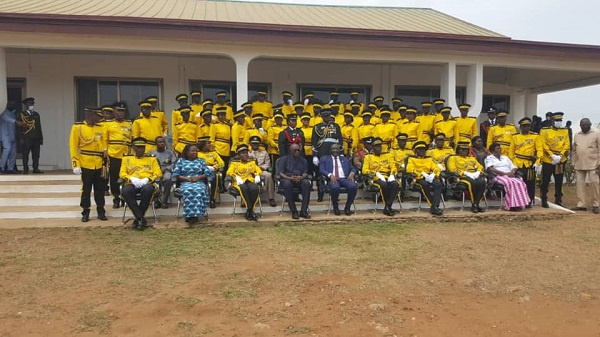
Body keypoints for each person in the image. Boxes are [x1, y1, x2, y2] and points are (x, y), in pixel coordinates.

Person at [69, 107, 108, 222]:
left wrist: (106, 163)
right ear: (90, 115)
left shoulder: (100, 128)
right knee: (86, 189)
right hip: (86, 162)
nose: (100, 119)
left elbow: (104, 146)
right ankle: (85, 211)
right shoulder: (78, 127)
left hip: (99, 163)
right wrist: (75, 164)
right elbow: (73, 147)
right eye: (98, 116)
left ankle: (101, 210)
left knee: (100, 189)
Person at [120, 137, 163, 229]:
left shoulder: (152, 159)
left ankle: (138, 219)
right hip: (132, 183)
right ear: (134, 148)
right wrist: (131, 179)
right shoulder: (126, 159)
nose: (141, 149)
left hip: (147, 183)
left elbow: (158, 173)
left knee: (148, 189)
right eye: (138, 147)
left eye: (143, 147)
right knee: (126, 191)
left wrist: (148, 179)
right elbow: (122, 173)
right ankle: (140, 218)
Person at [172, 144, 213, 225]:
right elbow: (176, 174)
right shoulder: (181, 161)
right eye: (193, 151)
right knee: (188, 190)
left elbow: (208, 172)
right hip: (185, 182)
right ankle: (189, 215)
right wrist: (187, 179)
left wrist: (198, 177)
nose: (195, 152)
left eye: (196, 151)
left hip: (199, 182)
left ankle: (195, 215)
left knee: (198, 190)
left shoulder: (201, 161)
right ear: (187, 152)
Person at [485, 143, 531, 211]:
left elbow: (513, 166)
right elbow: (490, 168)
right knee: (509, 183)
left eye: (500, 148)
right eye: (498, 148)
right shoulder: (489, 158)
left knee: (520, 183)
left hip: (510, 175)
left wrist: (512, 172)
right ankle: (511, 205)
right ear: (492, 151)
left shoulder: (505, 157)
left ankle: (519, 203)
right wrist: (504, 173)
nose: (500, 149)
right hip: (498, 176)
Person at [509, 117, 543, 207]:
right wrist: (511, 163)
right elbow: (511, 151)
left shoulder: (535, 136)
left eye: (528, 126)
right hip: (518, 162)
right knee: (518, 183)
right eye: (524, 126)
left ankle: (529, 201)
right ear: (520, 127)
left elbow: (540, 150)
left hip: (529, 163)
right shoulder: (515, 137)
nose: (526, 128)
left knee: (530, 183)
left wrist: (538, 162)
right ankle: (518, 201)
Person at [539, 112, 570, 207]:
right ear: (552, 121)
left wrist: (560, 156)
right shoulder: (545, 131)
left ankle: (558, 199)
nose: (559, 122)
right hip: (548, 159)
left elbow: (567, 144)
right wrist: (552, 155)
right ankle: (543, 198)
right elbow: (543, 144)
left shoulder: (564, 130)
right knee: (546, 180)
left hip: (560, 160)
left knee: (559, 180)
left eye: (560, 120)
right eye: (557, 120)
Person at [362, 137, 399, 216]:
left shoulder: (388, 155)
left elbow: (393, 166)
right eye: (376, 146)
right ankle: (388, 207)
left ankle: (387, 206)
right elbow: (364, 170)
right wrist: (375, 174)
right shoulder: (368, 157)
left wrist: (392, 174)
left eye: (380, 146)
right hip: (374, 178)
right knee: (383, 185)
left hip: (387, 176)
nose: (378, 148)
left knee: (395, 184)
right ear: (372, 147)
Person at [105, 104, 132, 208]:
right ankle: (116, 198)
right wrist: (105, 151)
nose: (121, 113)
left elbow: (132, 138)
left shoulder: (129, 124)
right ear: (114, 113)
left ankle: (125, 197)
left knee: (125, 177)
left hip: (126, 155)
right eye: (118, 111)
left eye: (122, 111)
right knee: (114, 178)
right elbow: (105, 139)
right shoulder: (108, 124)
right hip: (114, 154)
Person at [406, 141, 444, 216]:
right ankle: (434, 206)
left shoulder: (429, 159)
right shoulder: (411, 159)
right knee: (424, 185)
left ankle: (435, 206)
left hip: (429, 177)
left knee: (438, 184)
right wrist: (422, 173)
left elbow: (436, 168)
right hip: (418, 178)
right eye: (419, 149)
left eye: (423, 149)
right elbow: (409, 169)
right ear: (416, 151)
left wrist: (434, 174)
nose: (422, 151)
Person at [447, 142, 486, 213]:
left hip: (474, 175)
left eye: (466, 150)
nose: (464, 151)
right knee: (472, 183)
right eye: (462, 149)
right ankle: (474, 204)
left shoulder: (472, 158)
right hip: (461, 177)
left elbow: (480, 167)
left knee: (482, 182)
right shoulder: (453, 158)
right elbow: (452, 169)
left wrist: (478, 172)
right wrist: (464, 173)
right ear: (458, 150)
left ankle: (476, 204)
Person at [319, 144, 357, 216]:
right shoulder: (324, 159)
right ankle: (335, 207)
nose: (335, 150)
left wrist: (352, 173)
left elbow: (353, 168)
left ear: (339, 150)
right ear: (330, 150)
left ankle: (347, 207)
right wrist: (330, 175)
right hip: (333, 179)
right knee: (335, 187)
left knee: (353, 186)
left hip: (344, 179)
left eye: (337, 149)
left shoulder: (345, 159)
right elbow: (321, 170)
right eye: (333, 149)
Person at [571, 118, 600, 213]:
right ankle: (581, 204)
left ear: (590, 124)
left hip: (593, 164)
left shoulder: (596, 134)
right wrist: (572, 163)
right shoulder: (577, 135)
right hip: (579, 164)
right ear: (580, 125)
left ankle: (596, 204)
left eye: (586, 124)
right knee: (579, 184)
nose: (584, 126)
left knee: (594, 183)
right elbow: (574, 150)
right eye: (582, 125)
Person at [227, 144, 262, 221]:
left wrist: (257, 175)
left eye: (246, 153)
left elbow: (258, 170)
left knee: (255, 188)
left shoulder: (252, 162)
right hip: (239, 182)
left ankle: (249, 211)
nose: (245, 155)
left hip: (249, 180)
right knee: (244, 189)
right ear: (239, 155)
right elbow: (229, 172)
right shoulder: (234, 163)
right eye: (243, 153)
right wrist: (236, 176)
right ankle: (250, 210)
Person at [277, 143, 311, 219]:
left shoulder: (304, 160)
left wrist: (301, 177)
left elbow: (305, 173)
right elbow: (281, 173)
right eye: (295, 150)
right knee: (287, 184)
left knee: (306, 183)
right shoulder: (284, 159)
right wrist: (289, 178)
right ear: (290, 151)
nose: (297, 152)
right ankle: (294, 211)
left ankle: (303, 211)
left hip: (299, 179)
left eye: (298, 150)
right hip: (287, 179)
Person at [148, 136, 176, 209]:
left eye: (163, 142)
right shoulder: (151, 153)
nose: (162, 143)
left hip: (166, 170)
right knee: (153, 180)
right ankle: (156, 200)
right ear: (156, 144)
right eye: (160, 142)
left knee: (167, 178)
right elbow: (148, 165)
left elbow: (174, 163)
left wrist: (167, 168)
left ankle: (164, 201)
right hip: (155, 171)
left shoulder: (170, 153)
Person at [248, 136, 277, 207]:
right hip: (250, 171)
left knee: (268, 175)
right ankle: (245, 200)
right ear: (250, 144)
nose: (255, 145)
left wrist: (262, 168)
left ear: (259, 144)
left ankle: (271, 198)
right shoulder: (247, 153)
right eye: (253, 143)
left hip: (261, 170)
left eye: (257, 143)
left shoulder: (264, 152)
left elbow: (268, 163)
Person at [197, 137, 225, 208]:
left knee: (215, 177)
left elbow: (222, 163)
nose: (210, 144)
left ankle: (212, 199)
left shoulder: (214, 153)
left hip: (212, 170)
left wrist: (214, 167)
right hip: (200, 171)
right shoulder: (197, 154)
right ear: (203, 145)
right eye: (208, 143)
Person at [18, 97, 44, 174]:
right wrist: (21, 138)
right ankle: (25, 169)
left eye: (32, 103)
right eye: (30, 103)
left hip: (36, 137)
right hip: (27, 138)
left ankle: (35, 168)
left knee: (36, 154)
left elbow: (39, 127)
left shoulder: (36, 114)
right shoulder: (22, 115)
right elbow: (19, 128)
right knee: (25, 154)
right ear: (26, 105)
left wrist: (41, 138)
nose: (32, 105)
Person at [0, 101, 22, 173]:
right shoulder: (4, 114)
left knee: (13, 153)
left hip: (12, 136)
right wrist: (16, 121)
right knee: (7, 150)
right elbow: (7, 119)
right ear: (7, 105)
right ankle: (2, 167)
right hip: (5, 137)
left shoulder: (13, 114)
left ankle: (11, 168)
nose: (12, 106)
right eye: (11, 105)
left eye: (13, 105)